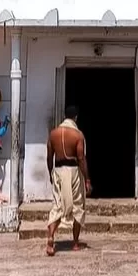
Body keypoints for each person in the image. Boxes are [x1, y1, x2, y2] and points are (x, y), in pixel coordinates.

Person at [45, 103, 91, 256]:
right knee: (77, 205)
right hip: (73, 172)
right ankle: (75, 242)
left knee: (58, 205)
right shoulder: (78, 135)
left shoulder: (53, 134)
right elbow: (81, 158)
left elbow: (48, 157)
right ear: (76, 117)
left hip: (58, 170)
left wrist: (51, 172)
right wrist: (87, 179)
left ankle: (51, 237)